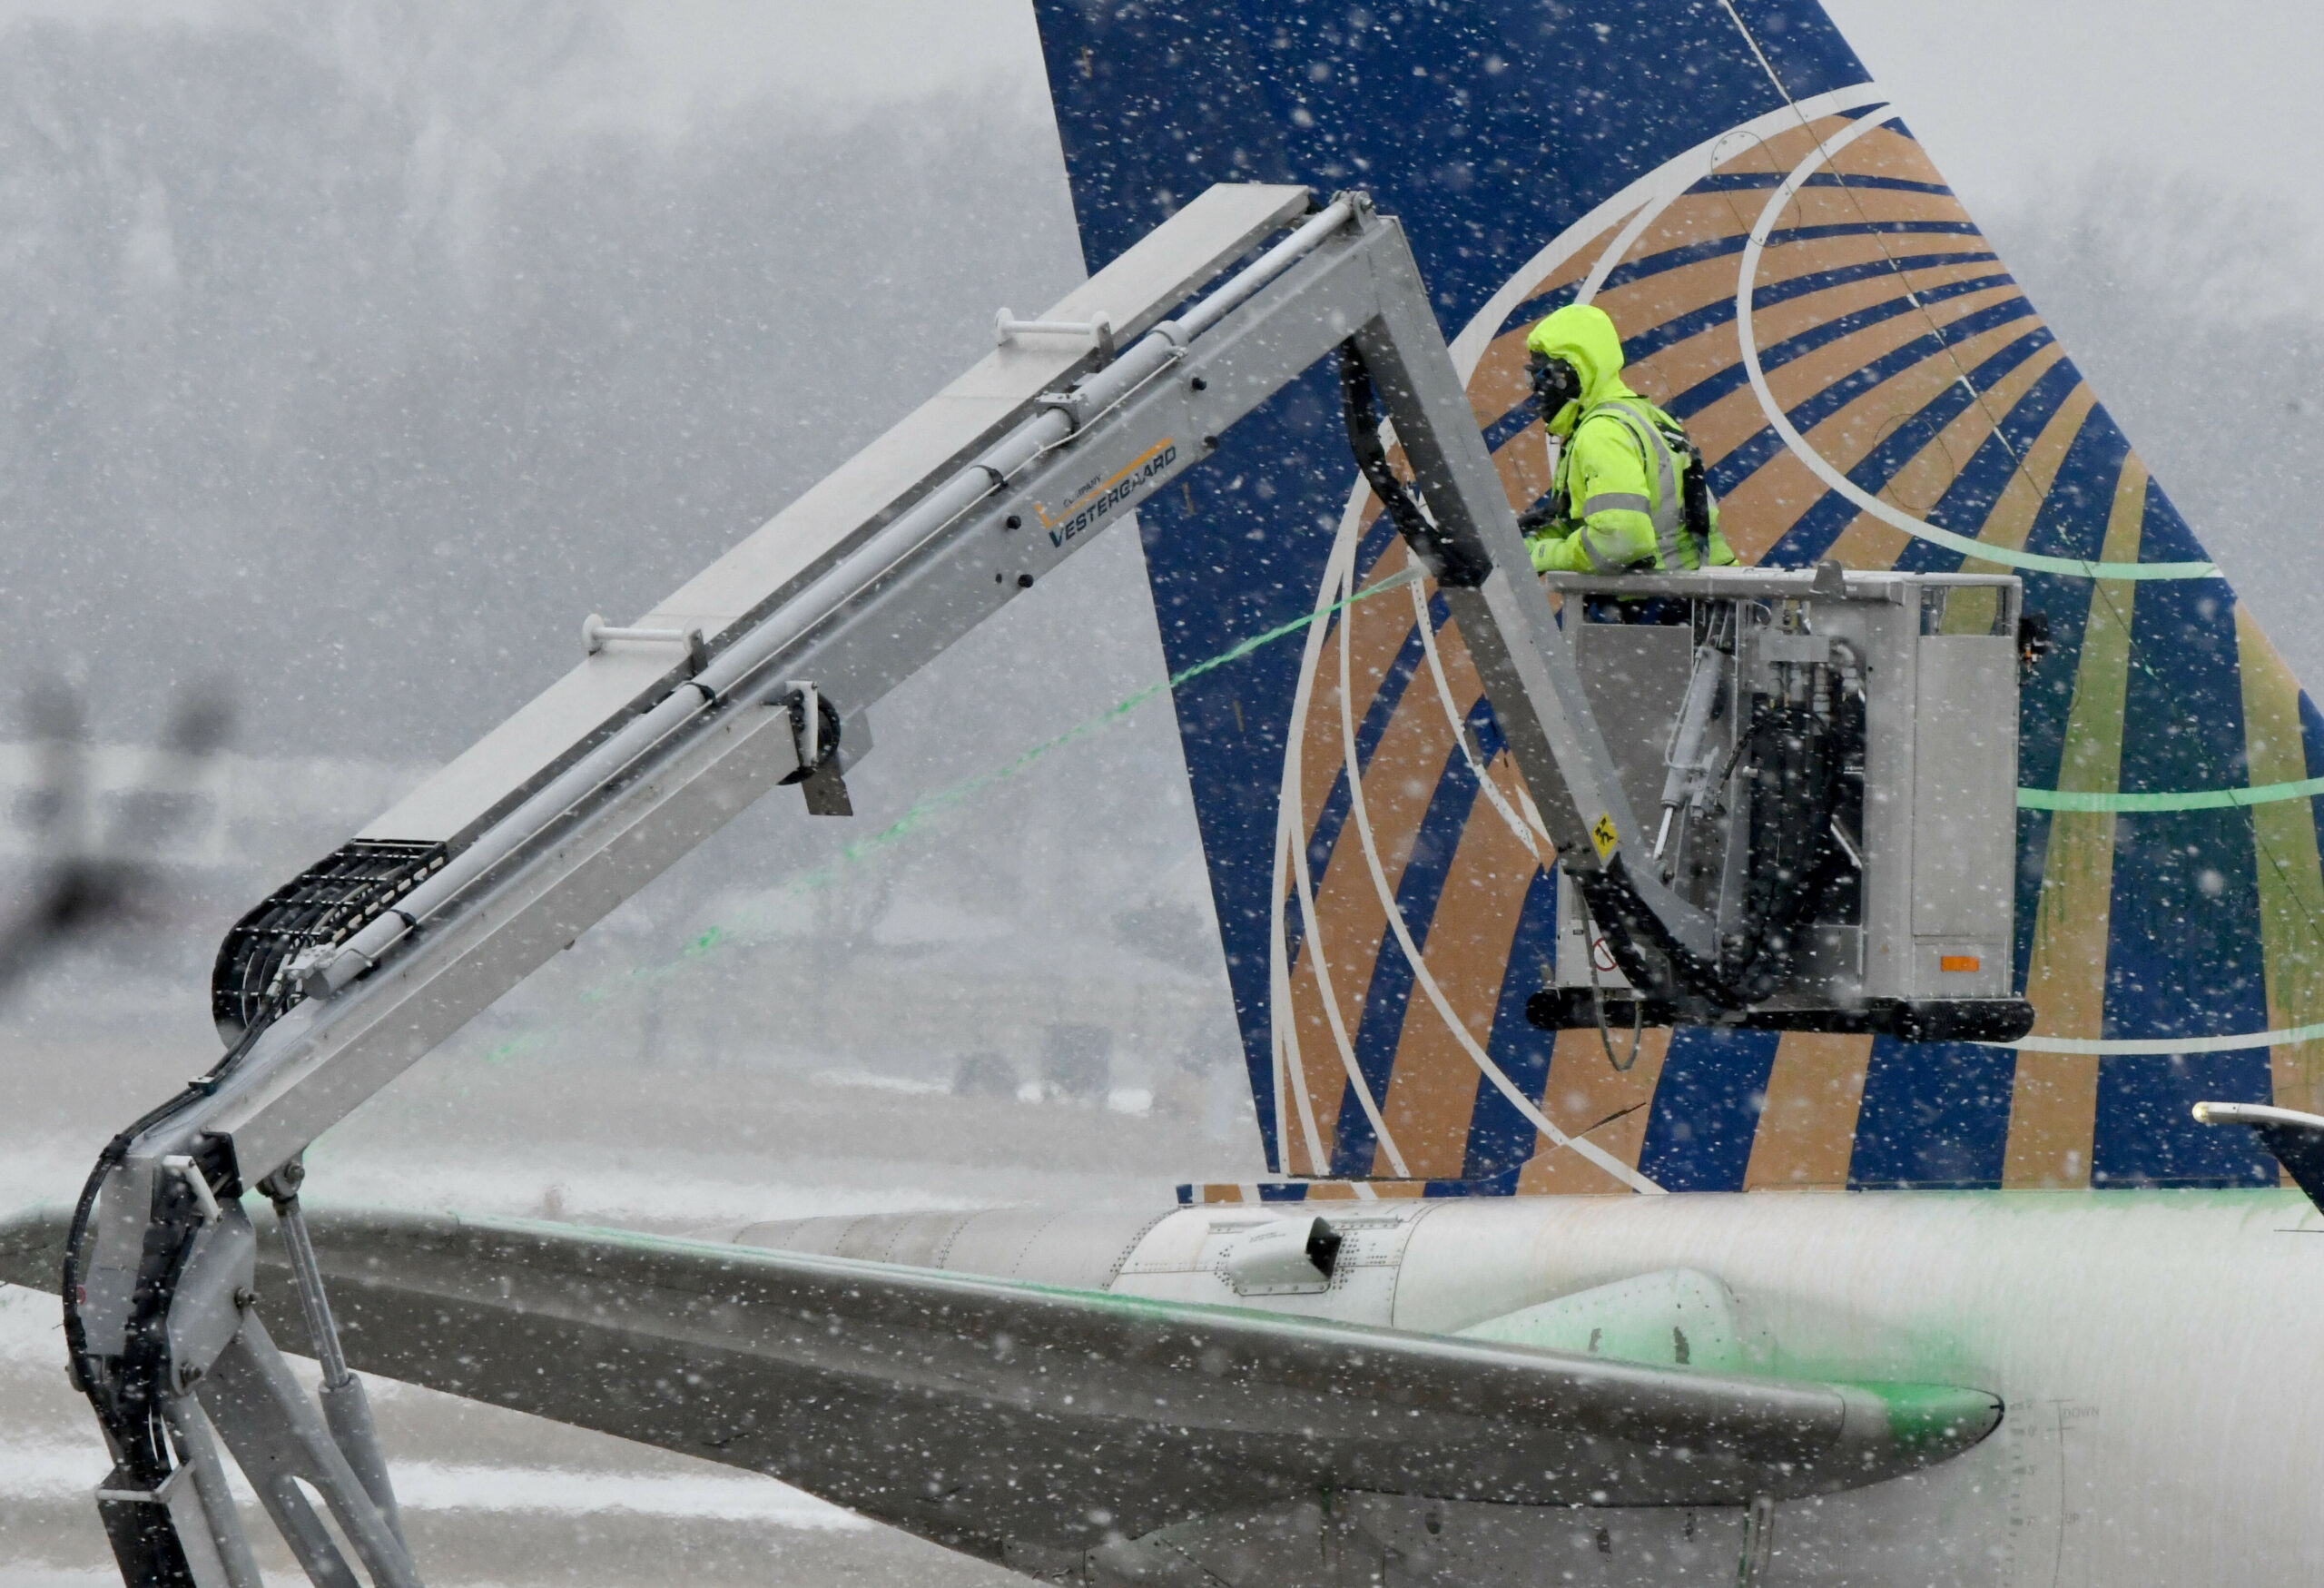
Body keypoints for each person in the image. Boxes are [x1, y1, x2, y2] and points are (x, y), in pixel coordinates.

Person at [1519, 302, 1736, 577]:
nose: (1537, 388)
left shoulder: (1602, 433)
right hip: (1700, 600)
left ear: (1578, 372)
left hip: (1661, 605)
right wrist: (1527, 543)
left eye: (1546, 375)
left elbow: (1622, 539)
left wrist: (1544, 554)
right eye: (1532, 376)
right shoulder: (1640, 415)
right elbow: (1590, 522)